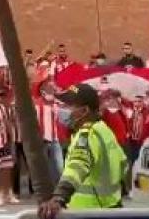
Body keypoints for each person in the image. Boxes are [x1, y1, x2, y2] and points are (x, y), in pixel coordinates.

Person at [36, 84, 125, 219]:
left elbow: (77, 166)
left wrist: (58, 198)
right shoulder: (104, 130)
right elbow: (123, 164)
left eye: (69, 106)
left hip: (91, 211)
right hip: (111, 207)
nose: (63, 109)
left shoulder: (86, 134)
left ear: (84, 110)